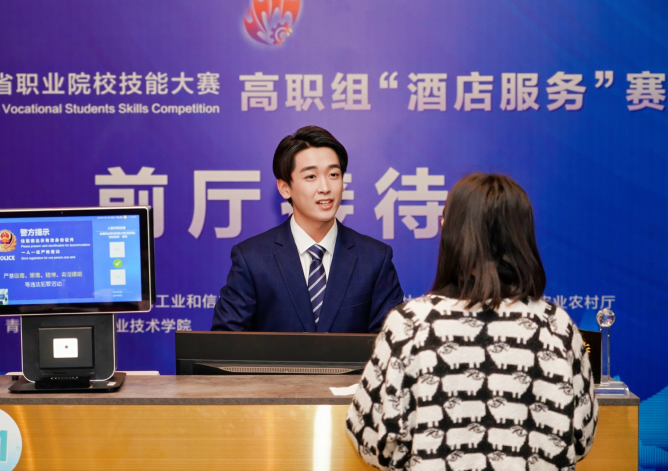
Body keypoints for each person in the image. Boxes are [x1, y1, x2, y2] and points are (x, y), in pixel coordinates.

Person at [347, 173, 598, 470]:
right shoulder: (556, 326)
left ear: (451, 233)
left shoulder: (410, 324)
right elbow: (582, 437)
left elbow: (371, 438)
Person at [211, 126, 404, 333]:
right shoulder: (252, 259)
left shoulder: (375, 259)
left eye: (333, 174)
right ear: (285, 187)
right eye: (311, 177)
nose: (325, 188)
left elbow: (392, 343)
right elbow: (225, 343)